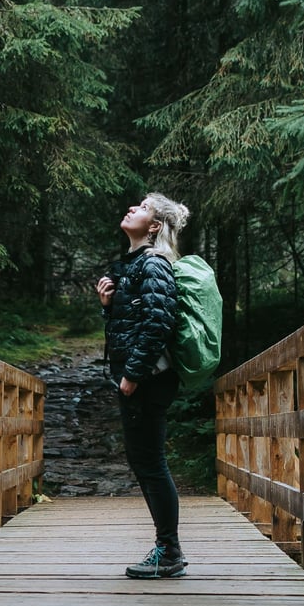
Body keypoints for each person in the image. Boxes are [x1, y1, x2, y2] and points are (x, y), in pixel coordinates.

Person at [95, 192, 190, 579]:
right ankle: (167, 550)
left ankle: (169, 553)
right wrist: (108, 306)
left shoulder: (154, 264)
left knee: (150, 463)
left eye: (144, 208)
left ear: (154, 227)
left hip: (147, 381)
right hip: (139, 379)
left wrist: (131, 375)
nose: (133, 208)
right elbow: (136, 321)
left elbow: (158, 324)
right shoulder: (135, 265)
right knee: (144, 461)